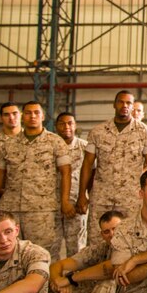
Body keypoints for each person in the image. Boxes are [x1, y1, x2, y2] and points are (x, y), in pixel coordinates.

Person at [0, 101, 72, 261]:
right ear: (22, 116)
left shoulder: (55, 142)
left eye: (36, 113)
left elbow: (66, 172)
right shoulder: (9, 144)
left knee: (42, 253)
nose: (32, 116)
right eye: (28, 113)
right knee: (10, 252)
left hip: (41, 209)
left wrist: (65, 201)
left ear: (43, 116)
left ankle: (44, 285)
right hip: (11, 207)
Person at [78, 91, 147, 246]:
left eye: (128, 103)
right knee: (96, 240)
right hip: (101, 196)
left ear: (133, 106)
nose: (125, 106)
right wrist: (82, 194)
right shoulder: (98, 132)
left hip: (131, 198)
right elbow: (87, 164)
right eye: (121, 102)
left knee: (132, 240)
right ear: (114, 104)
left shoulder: (144, 133)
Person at [54, 112, 89, 261]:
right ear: (56, 126)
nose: (66, 126)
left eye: (70, 123)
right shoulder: (50, 146)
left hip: (76, 203)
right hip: (52, 202)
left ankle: (74, 280)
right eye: (62, 123)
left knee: (76, 246)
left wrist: (85, 198)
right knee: (51, 245)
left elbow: (92, 174)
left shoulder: (84, 147)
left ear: (75, 126)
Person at [0, 102, 22, 167]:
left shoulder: (34, 139)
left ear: (21, 115)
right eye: (6, 115)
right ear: (1, 118)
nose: (11, 117)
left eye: (14, 113)